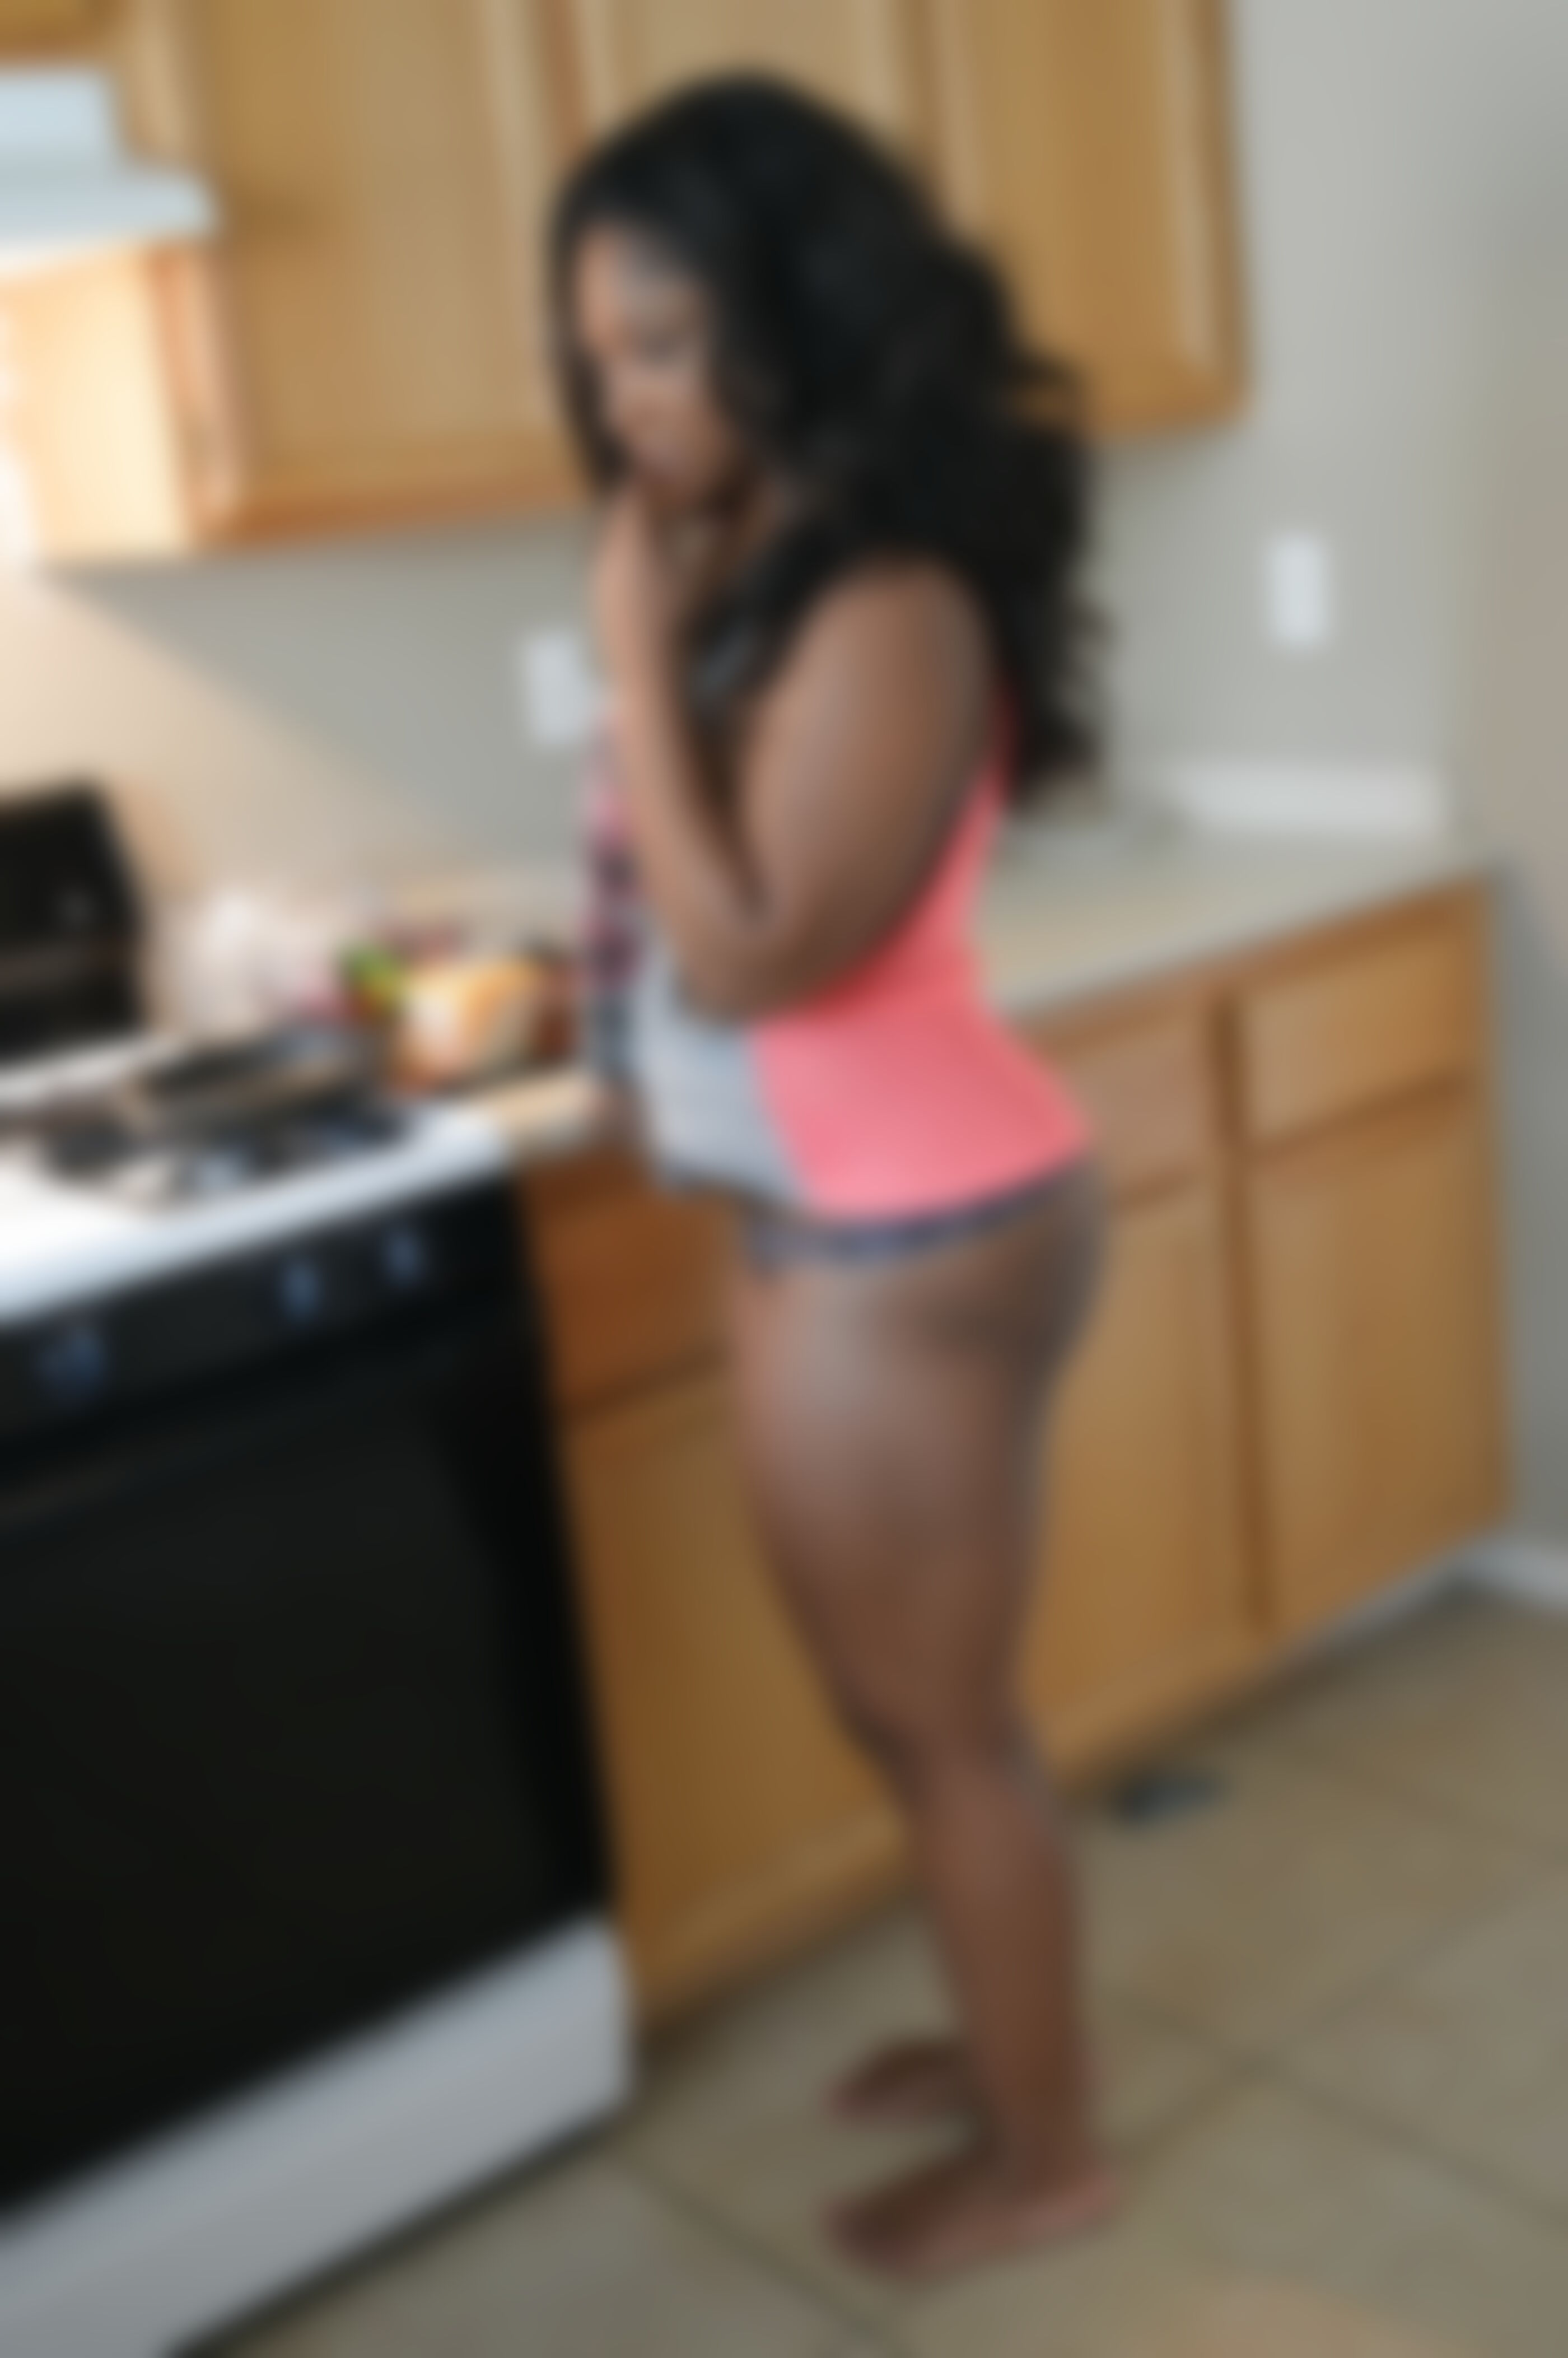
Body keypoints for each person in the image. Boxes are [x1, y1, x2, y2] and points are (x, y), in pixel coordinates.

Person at [550, 74, 1116, 2283]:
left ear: (795, 315)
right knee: (910, 1710)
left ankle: (1045, 2163)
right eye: (601, 356)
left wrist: (624, 657)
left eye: (664, 343)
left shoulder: (884, 597)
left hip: (903, 1230)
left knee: (941, 1728)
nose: (624, 400)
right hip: (867, 1206)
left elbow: (751, 951)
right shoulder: (779, 570)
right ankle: (1006, 2046)